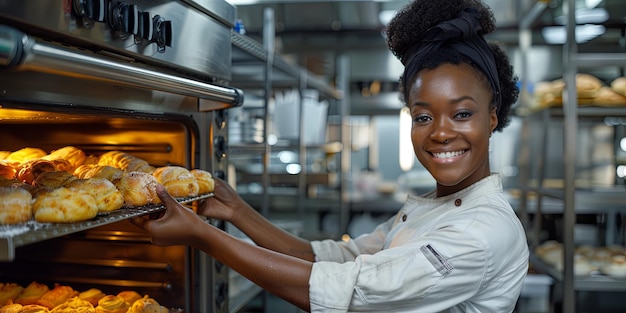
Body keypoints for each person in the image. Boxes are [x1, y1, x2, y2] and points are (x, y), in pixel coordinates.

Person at [131, 0, 529, 311]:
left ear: (493, 116)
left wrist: (204, 236)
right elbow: (337, 258)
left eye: (462, 113)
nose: (441, 132)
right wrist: (237, 212)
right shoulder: (437, 208)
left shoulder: (481, 231)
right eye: (423, 116)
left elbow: (350, 293)